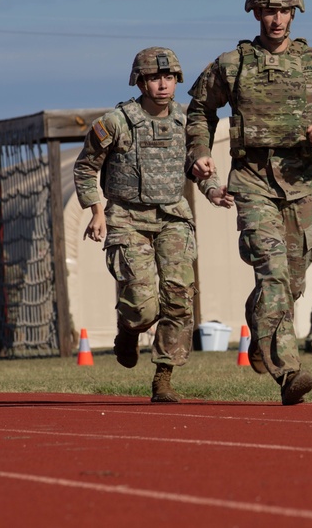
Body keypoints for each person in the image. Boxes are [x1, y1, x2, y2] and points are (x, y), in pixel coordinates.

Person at [186, 0, 312, 405]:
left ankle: (259, 322)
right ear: (255, 12)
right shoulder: (233, 64)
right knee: (273, 270)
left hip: (304, 182)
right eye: (268, 10)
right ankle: (289, 372)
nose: (277, 19)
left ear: (295, 12)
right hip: (251, 180)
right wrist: (200, 153)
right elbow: (198, 110)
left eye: (284, 10)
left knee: (293, 283)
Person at [74, 47, 225, 403]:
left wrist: (212, 189)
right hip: (127, 218)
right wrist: (96, 210)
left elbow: (196, 164)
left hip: (173, 217)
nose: (162, 85)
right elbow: (85, 167)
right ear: (140, 81)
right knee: (143, 306)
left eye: (169, 77)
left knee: (179, 297)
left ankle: (163, 378)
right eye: (155, 78)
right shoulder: (116, 122)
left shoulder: (188, 122)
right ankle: (129, 330)